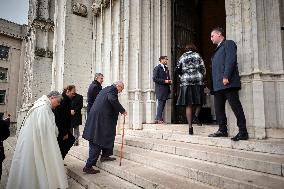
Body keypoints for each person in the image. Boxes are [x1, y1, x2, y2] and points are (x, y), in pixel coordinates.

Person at [6, 91, 68, 189]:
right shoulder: (44, 108)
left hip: (31, 142)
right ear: (52, 98)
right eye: (58, 101)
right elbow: (46, 130)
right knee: (35, 167)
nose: (58, 104)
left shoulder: (39, 105)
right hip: (37, 143)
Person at [208, 27, 248, 141]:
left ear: (219, 34)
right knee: (219, 109)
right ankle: (222, 130)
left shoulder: (228, 44)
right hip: (218, 85)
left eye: (212, 36)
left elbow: (230, 60)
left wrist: (226, 76)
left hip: (228, 82)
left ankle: (243, 131)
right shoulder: (216, 50)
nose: (211, 39)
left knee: (235, 106)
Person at [82, 81, 127, 174]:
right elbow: (112, 99)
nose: (121, 91)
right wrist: (122, 110)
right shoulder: (112, 90)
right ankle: (88, 166)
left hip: (100, 118)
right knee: (97, 140)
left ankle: (105, 155)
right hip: (101, 119)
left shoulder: (106, 89)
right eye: (121, 89)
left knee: (107, 136)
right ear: (118, 86)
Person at [176, 43, 206, 135]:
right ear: (194, 48)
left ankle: (190, 128)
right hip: (197, 80)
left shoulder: (182, 57)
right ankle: (196, 116)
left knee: (188, 105)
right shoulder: (197, 55)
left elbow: (177, 69)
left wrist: (182, 77)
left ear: (186, 49)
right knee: (200, 100)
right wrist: (202, 76)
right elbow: (203, 68)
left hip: (186, 82)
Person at [53, 85, 76, 159]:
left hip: (62, 127)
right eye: (73, 93)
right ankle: (59, 160)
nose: (74, 95)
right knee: (67, 141)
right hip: (61, 128)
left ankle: (59, 160)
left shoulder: (66, 99)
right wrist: (65, 132)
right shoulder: (63, 100)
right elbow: (61, 117)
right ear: (67, 91)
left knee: (64, 143)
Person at [153, 56, 172, 123]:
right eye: (165, 59)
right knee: (161, 103)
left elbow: (166, 77)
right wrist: (165, 81)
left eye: (167, 59)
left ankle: (157, 118)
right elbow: (155, 78)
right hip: (160, 89)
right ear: (161, 60)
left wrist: (169, 81)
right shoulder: (157, 68)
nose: (167, 60)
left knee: (163, 104)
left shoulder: (166, 68)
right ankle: (159, 119)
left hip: (165, 89)